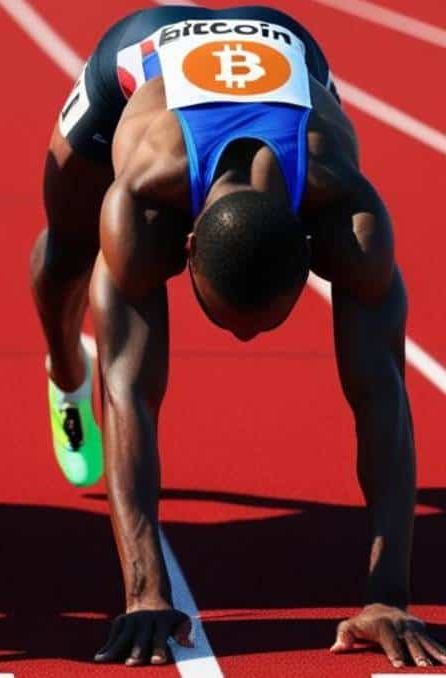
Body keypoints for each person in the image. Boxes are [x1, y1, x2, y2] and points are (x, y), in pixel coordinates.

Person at [29, 5, 444, 668]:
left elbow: (383, 397)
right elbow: (128, 395)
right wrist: (145, 593)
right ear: (185, 245)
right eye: (226, 320)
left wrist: (388, 596)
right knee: (67, 251)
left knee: (375, 369)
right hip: (138, 53)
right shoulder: (140, 203)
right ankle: (60, 371)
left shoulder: (351, 216)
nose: (245, 341)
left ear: (311, 249)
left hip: (287, 51)